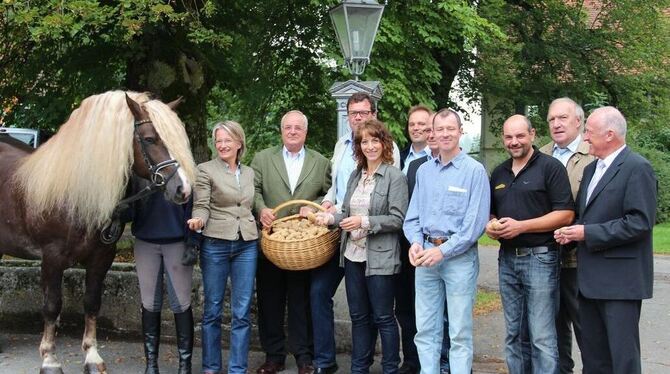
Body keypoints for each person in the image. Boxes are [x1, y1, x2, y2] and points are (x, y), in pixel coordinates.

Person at [555, 107, 657, 374]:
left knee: (622, 359)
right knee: (594, 357)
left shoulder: (637, 168)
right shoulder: (591, 170)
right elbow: (589, 216)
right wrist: (571, 232)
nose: (585, 137)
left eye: (589, 131)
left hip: (621, 283)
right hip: (589, 281)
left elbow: (639, 223)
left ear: (609, 134)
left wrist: (587, 233)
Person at [313, 92, 400, 373]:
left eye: (375, 141)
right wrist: (327, 216)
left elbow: (397, 219)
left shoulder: (393, 175)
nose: (370, 146)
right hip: (351, 254)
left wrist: (363, 222)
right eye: (365, 142)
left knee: (384, 317)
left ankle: (389, 368)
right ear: (358, 147)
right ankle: (359, 368)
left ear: (383, 143)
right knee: (359, 316)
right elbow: (344, 210)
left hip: (380, 256)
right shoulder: (354, 174)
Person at [403, 108, 490, 374]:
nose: (444, 134)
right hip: (425, 257)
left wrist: (442, 253)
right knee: (426, 329)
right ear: (432, 133)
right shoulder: (424, 172)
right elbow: (412, 218)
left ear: (460, 131)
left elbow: (474, 227)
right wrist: (416, 243)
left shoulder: (475, 172)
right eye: (439, 129)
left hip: (459, 260)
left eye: (450, 129)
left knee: (459, 332)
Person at [486, 115, 574, 374]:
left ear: (533, 134)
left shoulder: (550, 167)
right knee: (514, 334)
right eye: (509, 137)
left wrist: (522, 226)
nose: (514, 142)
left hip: (541, 259)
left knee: (542, 337)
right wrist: (491, 226)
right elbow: (491, 213)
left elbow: (566, 214)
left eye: (520, 136)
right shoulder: (499, 172)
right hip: (507, 259)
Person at [251, 110, 331, 374]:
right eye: (288, 127)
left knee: (301, 301)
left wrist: (316, 208)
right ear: (281, 131)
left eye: (298, 127)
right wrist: (261, 209)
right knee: (269, 301)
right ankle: (273, 356)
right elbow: (254, 191)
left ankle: (304, 356)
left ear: (305, 132)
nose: (293, 131)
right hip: (271, 242)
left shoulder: (321, 162)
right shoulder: (262, 159)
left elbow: (329, 194)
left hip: (303, 246)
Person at [187, 121, 258, 374]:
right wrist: (199, 220)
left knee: (242, 312)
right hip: (215, 243)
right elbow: (202, 204)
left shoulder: (250, 173)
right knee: (213, 310)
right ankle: (211, 368)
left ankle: (237, 369)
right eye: (218, 140)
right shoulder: (204, 170)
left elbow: (253, 205)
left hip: (247, 245)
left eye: (228, 140)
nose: (222, 145)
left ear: (239, 143)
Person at [539, 97, 593, 374]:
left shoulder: (593, 153)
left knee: (586, 328)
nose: (556, 124)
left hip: (580, 259)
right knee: (553, 328)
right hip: (545, 258)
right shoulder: (540, 154)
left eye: (562, 118)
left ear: (578, 121)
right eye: (551, 119)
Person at [129, 176, 197, 374]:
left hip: (176, 241)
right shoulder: (139, 174)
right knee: (149, 303)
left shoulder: (182, 169)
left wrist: (193, 242)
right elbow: (130, 208)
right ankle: (151, 364)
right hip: (146, 241)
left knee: (182, 303)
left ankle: (185, 365)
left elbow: (193, 206)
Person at [396, 107, 434, 374]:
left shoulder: (438, 159)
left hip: (430, 245)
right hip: (402, 244)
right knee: (405, 305)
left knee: (431, 307)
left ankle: (434, 362)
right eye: (413, 123)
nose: (417, 128)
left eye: (423, 124)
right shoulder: (399, 157)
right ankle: (411, 361)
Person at [399, 105, 431, 174]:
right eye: (412, 124)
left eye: (421, 124)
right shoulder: (400, 157)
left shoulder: (439, 157)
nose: (415, 128)